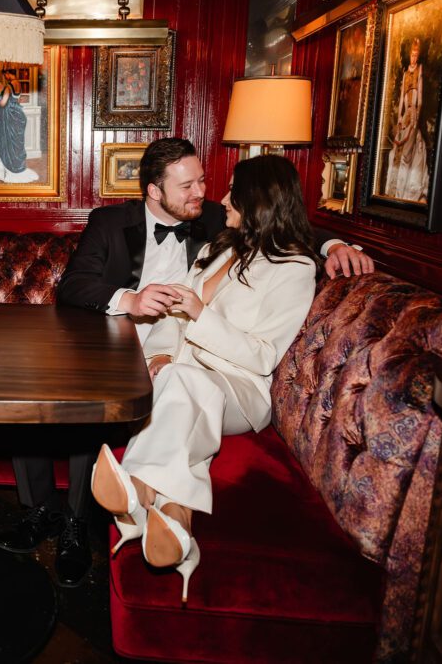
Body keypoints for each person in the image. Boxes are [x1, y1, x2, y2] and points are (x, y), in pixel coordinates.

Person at [0, 138, 374, 589]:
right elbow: (74, 286)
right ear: (155, 191)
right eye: (188, 185)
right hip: (123, 339)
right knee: (34, 376)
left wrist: (334, 244)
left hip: (197, 361)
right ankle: (44, 511)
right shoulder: (112, 222)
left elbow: (285, 228)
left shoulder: (217, 221)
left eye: (205, 182)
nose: (204, 193)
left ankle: (88, 519)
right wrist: (132, 302)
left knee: (140, 390)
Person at [90, 155, 319, 602]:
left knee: (184, 384)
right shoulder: (221, 249)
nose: (224, 198)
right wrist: (157, 354)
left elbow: (262, 355)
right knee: (178, 384)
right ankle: (177, 521)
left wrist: (199, 315)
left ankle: (136, 487)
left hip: (239, 388)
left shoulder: (295, 269)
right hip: (183, 377)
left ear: (261, 200)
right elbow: (173, 317)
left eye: (235, 191)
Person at [384, 38, 429, 202]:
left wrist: (416, 113)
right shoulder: (405, 74)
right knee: (399, 149)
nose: (414, 58)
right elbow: (403, 95)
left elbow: (420, 94)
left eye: (416, 55)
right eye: (412, 55)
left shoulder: (419, 70)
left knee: (411, 149)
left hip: (414, 112)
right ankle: (395, 188)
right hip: (406, 114)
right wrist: (400, 118)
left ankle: (407, 190)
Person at [0, 69, 39, 183]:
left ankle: (4, 170)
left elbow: (3, 103)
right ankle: (11, 167)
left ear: (8, 74)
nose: (6, 77)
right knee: (14, 144)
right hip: (18, 114)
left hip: (7, 117)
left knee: (5, 142)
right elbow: (17, 99)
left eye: (6, 75)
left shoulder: (8, 87)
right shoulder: (18, 84)